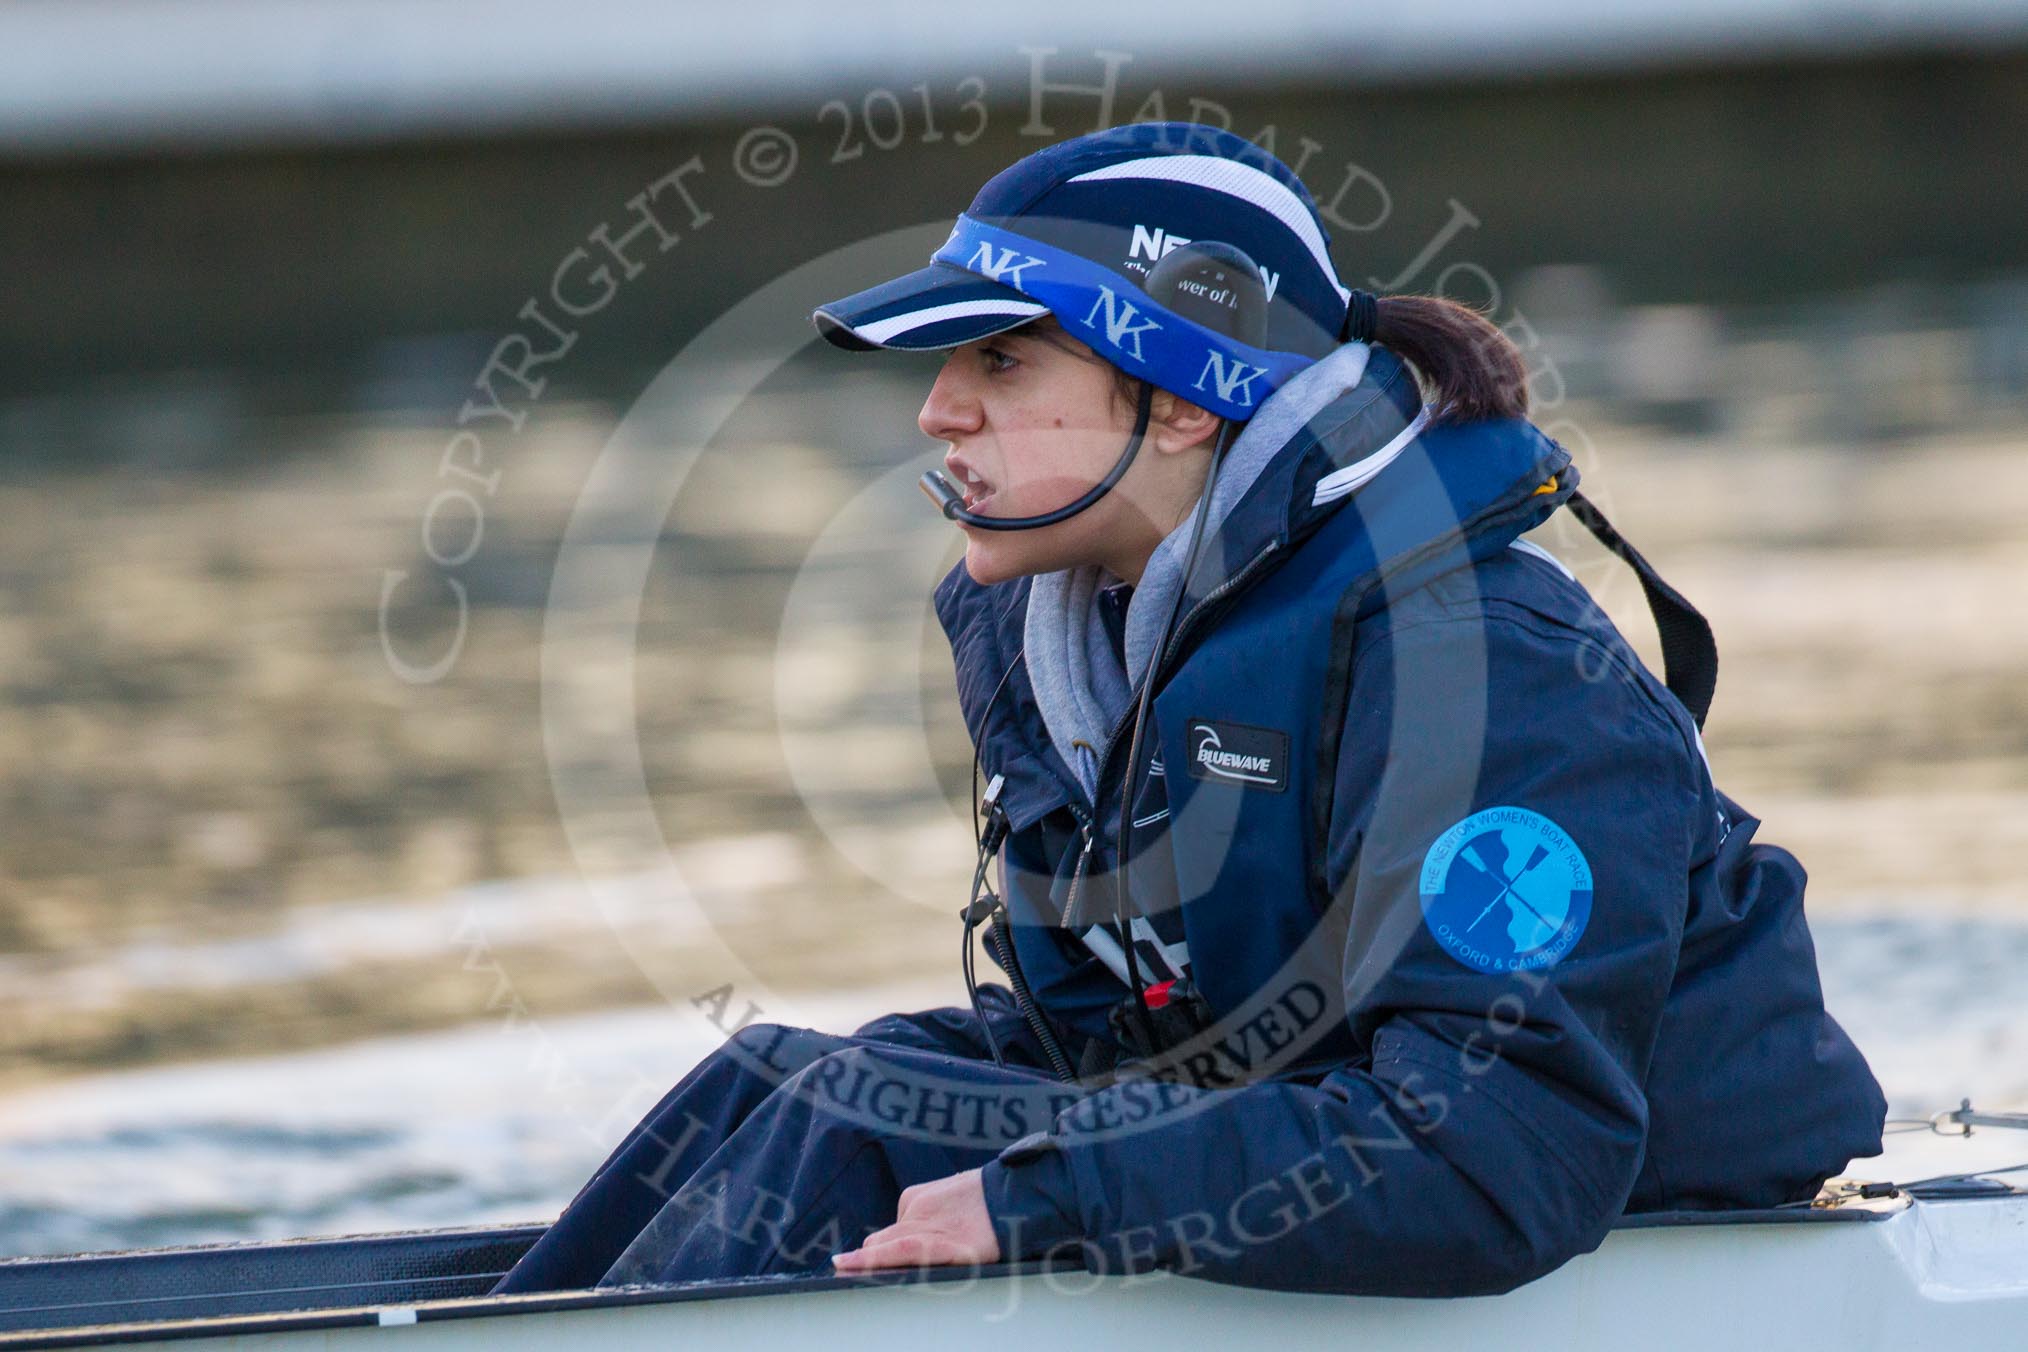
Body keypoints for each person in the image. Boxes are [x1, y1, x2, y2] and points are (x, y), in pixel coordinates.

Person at [491, 121, 1885, 1297]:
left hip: (1640, 1228)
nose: (936, 415)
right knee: (796, 1089)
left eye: (1001, 361)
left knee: (858, 1149)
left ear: (1180, 404)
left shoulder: (1491, 671)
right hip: (1344, 1140)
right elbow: (1119, 1043)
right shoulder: (1074, 634)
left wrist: (1047, 1201)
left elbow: (1498, 1154)